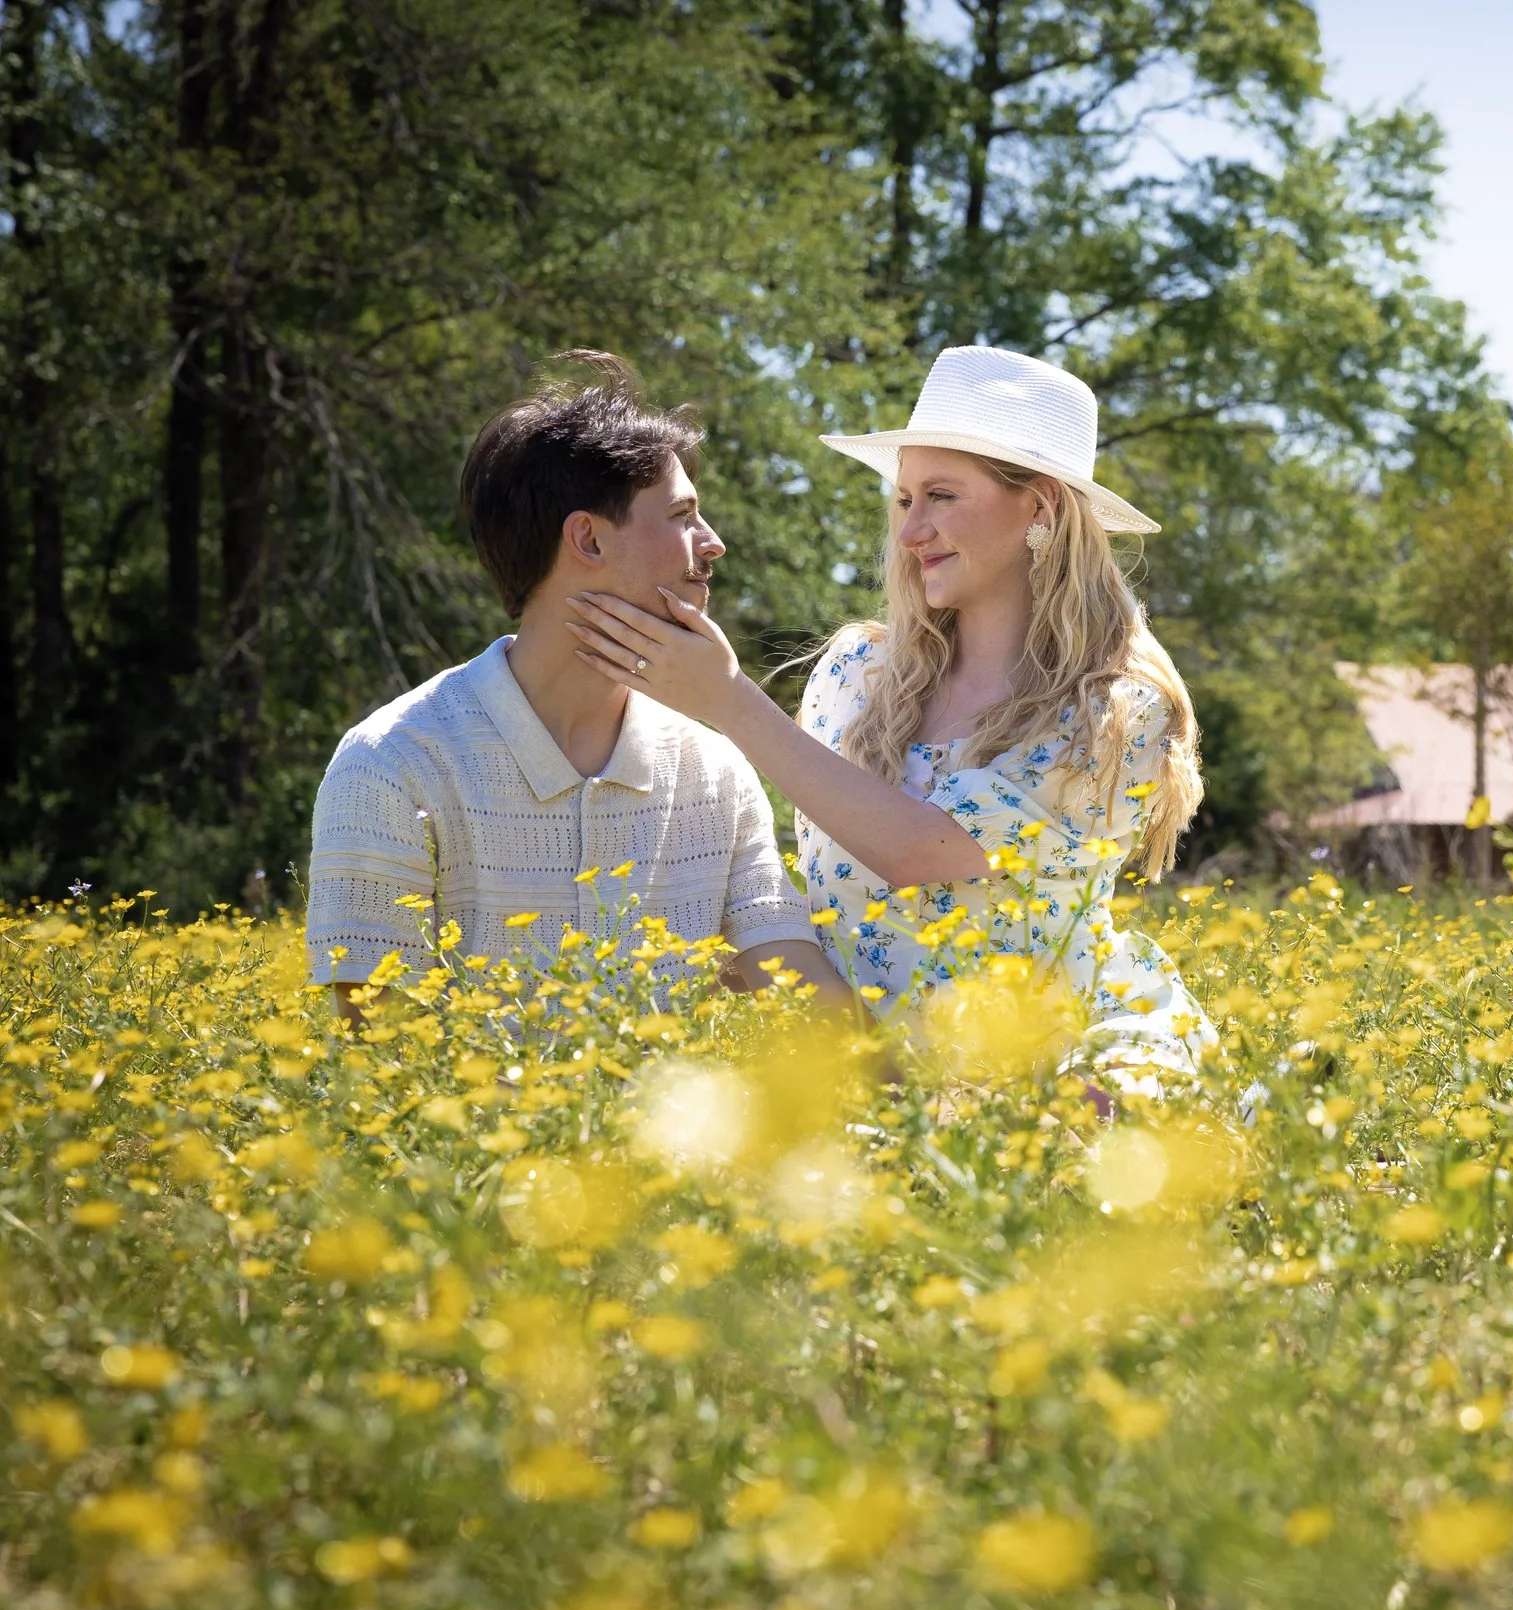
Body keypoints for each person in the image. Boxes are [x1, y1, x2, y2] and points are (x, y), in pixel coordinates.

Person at [567, 345, 1215, 1088]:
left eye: (941, 496)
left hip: (1057, 1067)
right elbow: (814, 897)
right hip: (871, 1077)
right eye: (904, 501)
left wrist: (726, 698)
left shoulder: (1115, 709)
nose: (910, 534)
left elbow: (919, 852)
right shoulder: (856, 674)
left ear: (1040, 506)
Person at [305, 353, 851, 1018]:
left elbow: (819, 1017)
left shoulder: (715, 775)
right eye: (682, 515)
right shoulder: (391, 766)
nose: (712, 544)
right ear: (587, 539)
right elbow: (380, 1062)